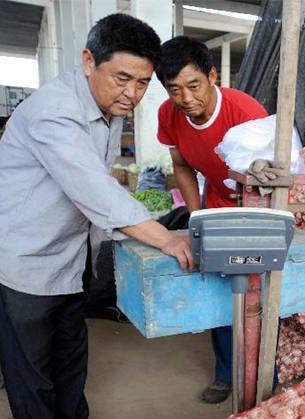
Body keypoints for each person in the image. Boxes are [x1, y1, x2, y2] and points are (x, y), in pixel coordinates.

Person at [0, 14, 194, 419]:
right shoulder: (54, 111)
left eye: (143, 82)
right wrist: (166, 238)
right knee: (33, 377)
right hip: (25, 263)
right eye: (122, 78)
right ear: (89, 61)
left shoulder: (110, 109)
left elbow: (101, 183)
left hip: (69, 260)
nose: (132, 93)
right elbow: (95, 191)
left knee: (70, 362)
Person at [155, 36, 282, 404]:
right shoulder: (169, 114)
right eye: (174, 89)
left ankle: (267, 380)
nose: (185, 98)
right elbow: (181, 166)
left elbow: (269, 177)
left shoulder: (244, 111)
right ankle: (226, 374)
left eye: (194, 85)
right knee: (221, 296)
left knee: (258, 297)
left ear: (212, 76)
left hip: (257, 208)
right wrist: (198, 217)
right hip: (215, 205)